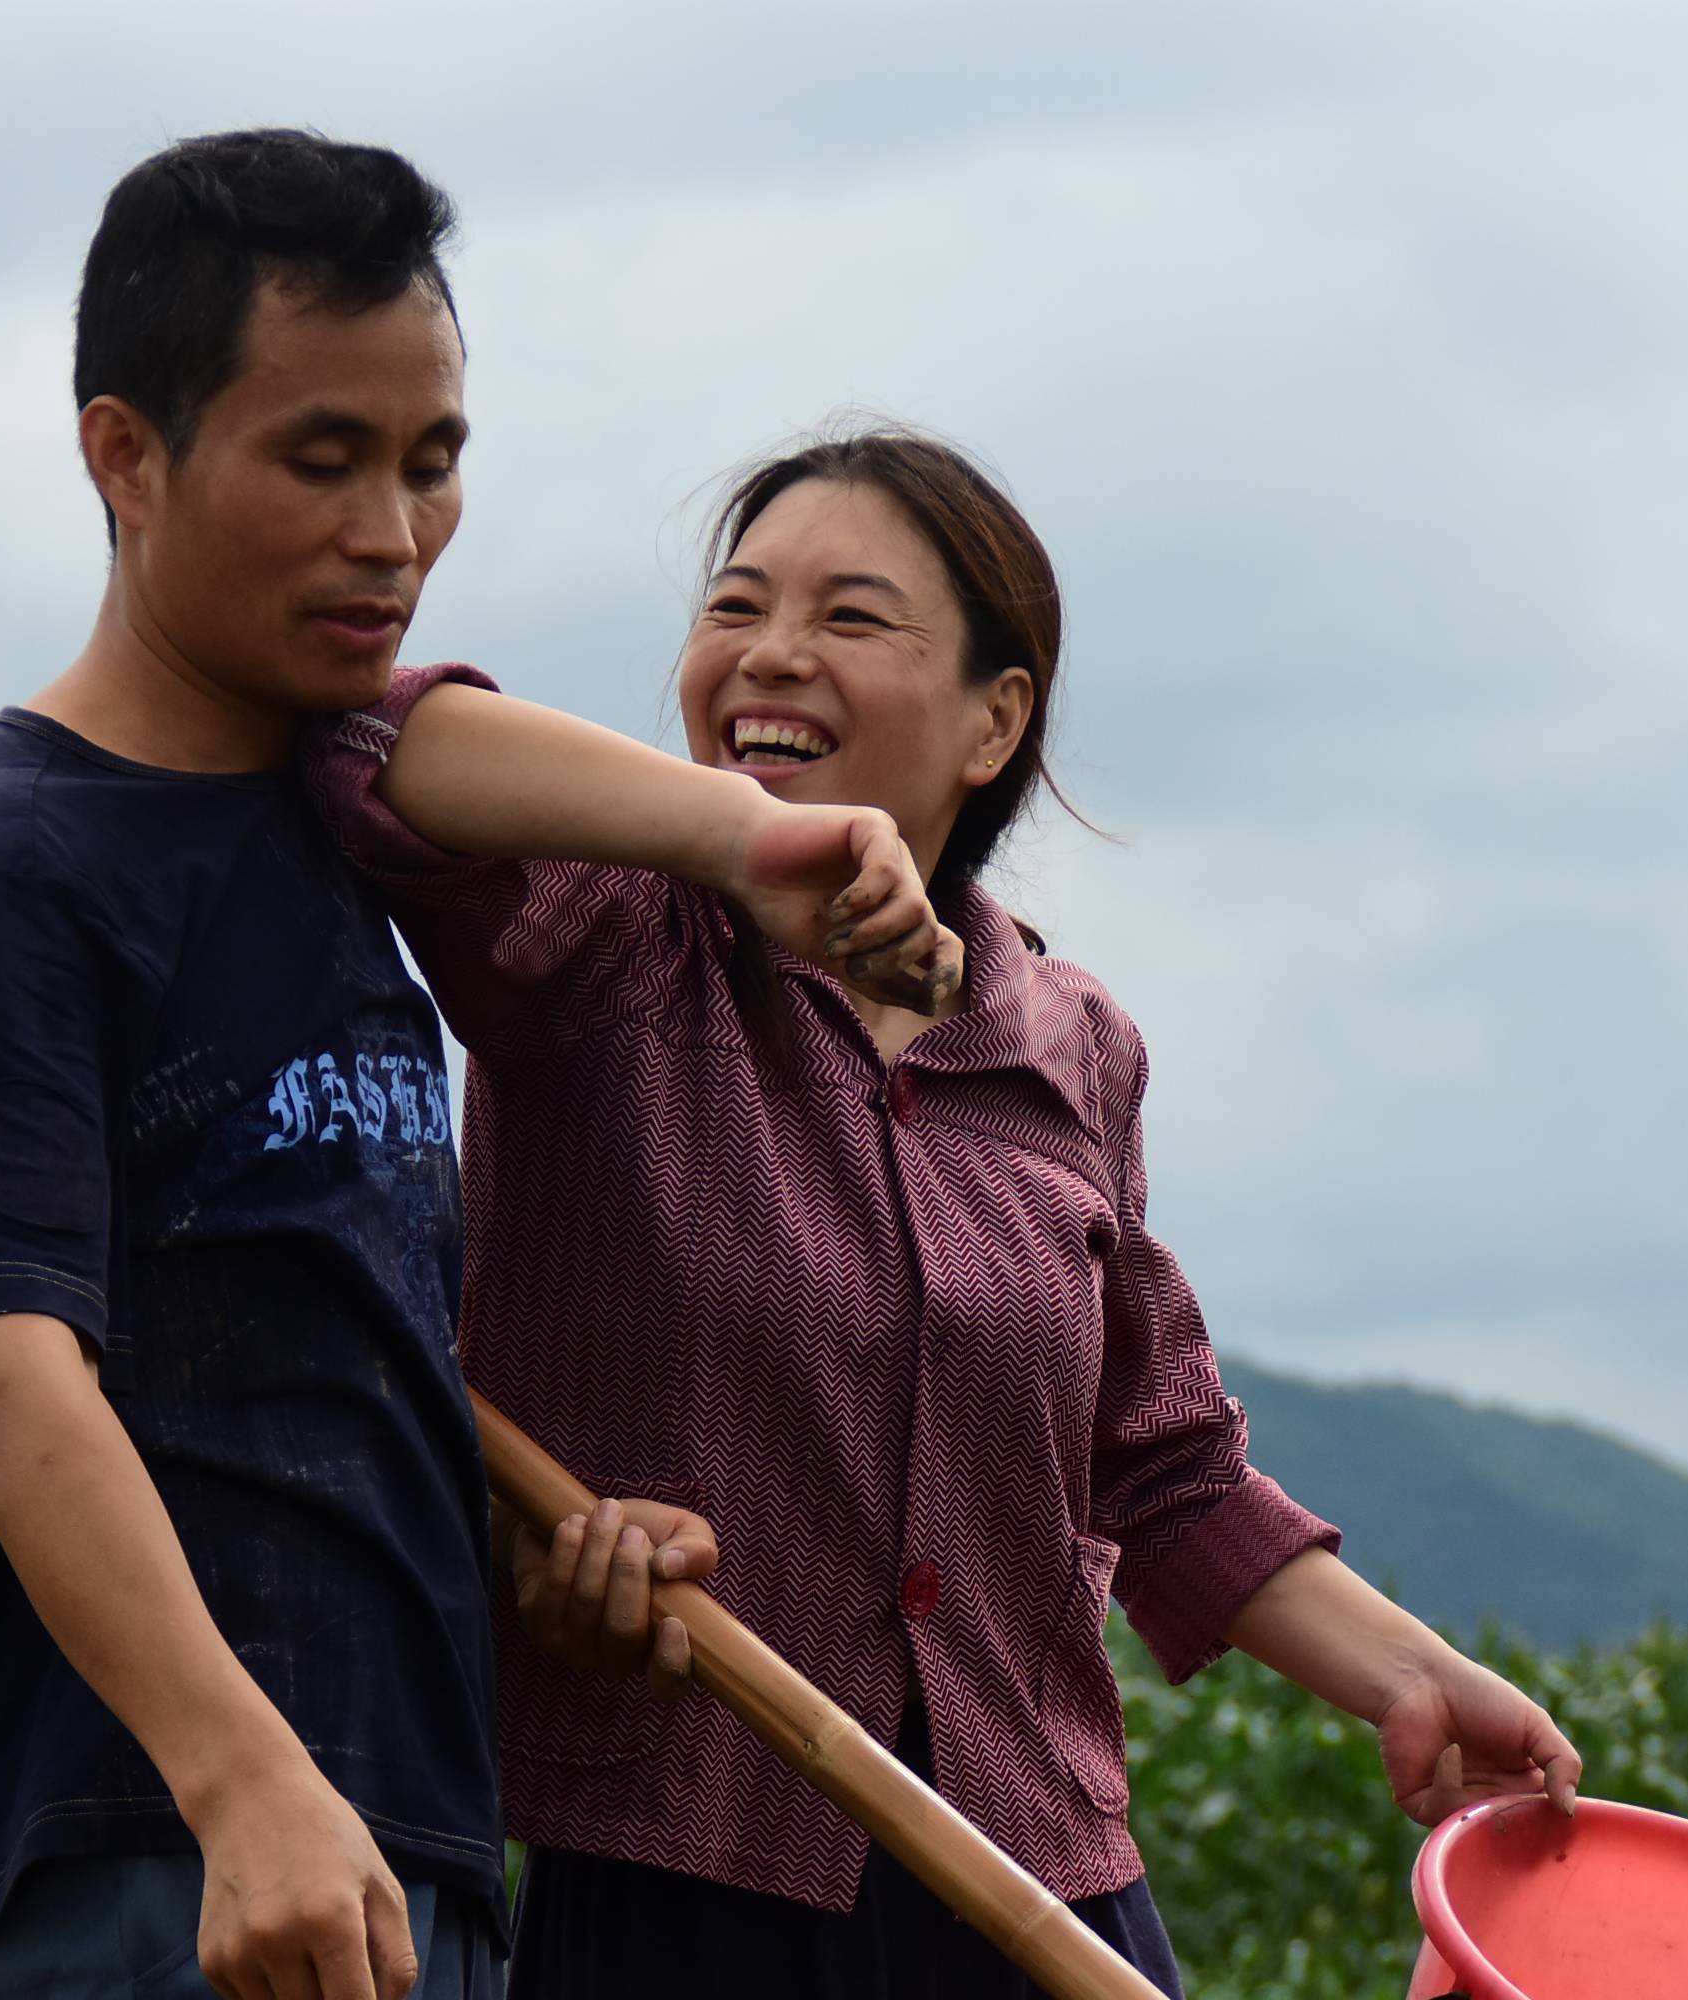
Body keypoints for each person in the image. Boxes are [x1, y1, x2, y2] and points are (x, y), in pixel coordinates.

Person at [0, 136, 956, 2000]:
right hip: (153, 1868)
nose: (392, 534)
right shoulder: (15, 857)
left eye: (434, 464)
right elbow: (13, 1383)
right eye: (320, 459)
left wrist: (534, 1572)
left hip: (402, 1862)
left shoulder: (329, 841)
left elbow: (299, 1386)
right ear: (124, 457)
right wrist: (244, 1778)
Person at [303, 428, 1586, 1997]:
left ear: (997, 719)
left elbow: (1164, 1468)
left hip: (1042, 1895)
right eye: (736, 608)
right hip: (693, 1871)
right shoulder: (619, 937)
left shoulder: (1075, 1043)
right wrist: (744, 842)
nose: (771, 654)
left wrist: (1417, 1674)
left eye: (851, 617)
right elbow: (363, 746)